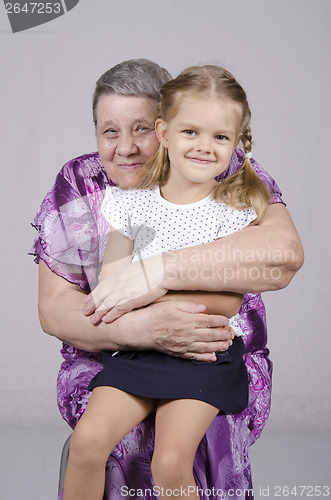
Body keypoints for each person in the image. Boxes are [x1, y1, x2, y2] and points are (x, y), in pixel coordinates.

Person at [30, 59, 303, 500]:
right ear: (170, 130)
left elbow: (238, 293)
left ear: (161, 129)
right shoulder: (123, 202)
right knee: (89, 444)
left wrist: (155, 282)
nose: (126, 147)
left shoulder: (230, 190)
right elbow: (105, 290)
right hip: (129, 352)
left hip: (206, 351)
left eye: (139, 129)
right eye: (110, 131)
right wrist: (149, 321)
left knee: (173, 460)